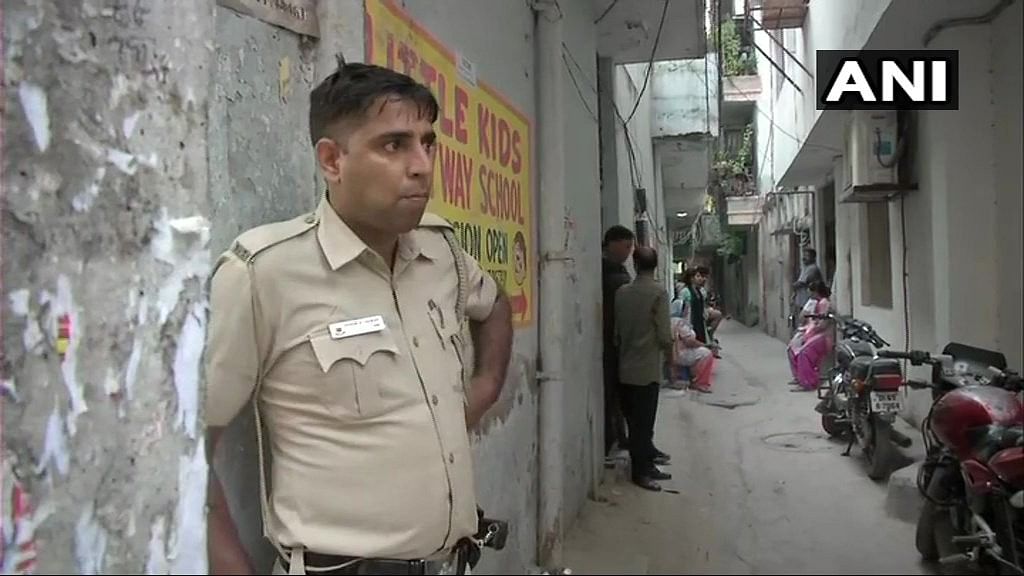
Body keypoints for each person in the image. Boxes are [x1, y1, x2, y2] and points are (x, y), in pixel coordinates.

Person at [204, 63, 514, 575]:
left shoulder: (441, 252)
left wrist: (484, 389)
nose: (421, 166)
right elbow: (187, 456)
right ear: (332, 160)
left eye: (427, 143)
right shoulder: (263, 274)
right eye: (394, 145)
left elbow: (493, 303)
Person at [614, 247, 674, 492]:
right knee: (644, 424)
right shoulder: (658, 293)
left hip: (625, 366)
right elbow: (663, 334)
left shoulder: (622, 292)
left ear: (635, 264)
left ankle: (647, 466)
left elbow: (616, 333)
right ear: (655, 265)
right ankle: (641, 472)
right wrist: (670, 357)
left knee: (634, 422)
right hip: (647, 368)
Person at [602, 225, 634, 459]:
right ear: (613, 244)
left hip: (618, 341)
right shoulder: (605, 270)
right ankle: (610, 438)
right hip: (607, 341)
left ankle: (619, 436)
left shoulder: (618, 269)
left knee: (619, 394)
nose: (629, 251)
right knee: (611, 392)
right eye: (626, 246)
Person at [787, 280, 833, 392]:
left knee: (803, 353)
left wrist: (811, 330)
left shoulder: (824, 303)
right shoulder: (816, 303)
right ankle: (802, 379)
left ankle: (807, 382)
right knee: (795, 350)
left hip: (823, 336)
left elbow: (823, 324)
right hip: (815, 334)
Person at [670, 316, 715, 393]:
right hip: (679, 354)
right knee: (706, 353)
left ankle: (691, 377)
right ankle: (700, 383)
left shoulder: (671, 321)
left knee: (700, 352)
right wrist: (705, 345)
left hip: (672, 353)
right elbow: (689, 341)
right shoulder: (681, 323)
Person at [792, 247, 824, 327]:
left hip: (808, 300)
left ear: (813, 257)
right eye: (804, 255)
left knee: (805, 322)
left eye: (807, 256)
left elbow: (801, 283)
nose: (804, 258)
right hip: (802, 300)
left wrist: (793, 285)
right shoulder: (805, 268)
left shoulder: (812, 268)